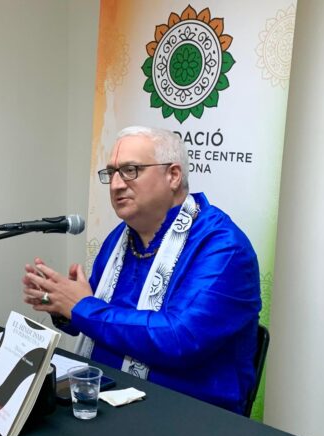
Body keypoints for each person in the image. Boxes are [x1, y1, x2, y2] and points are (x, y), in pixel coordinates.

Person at [23, 126, 261, 414]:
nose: (116, 185)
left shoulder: (223, 247)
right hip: (104, 396)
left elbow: (179, 339)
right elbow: (96, 316)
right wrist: (61, 303)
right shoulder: (121, 237)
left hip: (187, 414)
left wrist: (81, 307)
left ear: (173, 175)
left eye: (130, 170)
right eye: (111, 173)